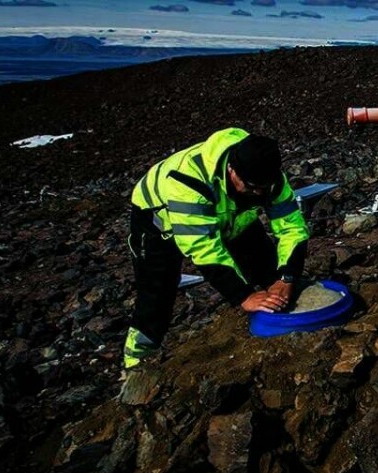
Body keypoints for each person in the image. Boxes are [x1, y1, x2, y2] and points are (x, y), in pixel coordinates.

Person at [124, 128, 310, 368]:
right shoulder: (188, 181)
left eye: (265, 188)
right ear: (232, 170)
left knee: (268, 270)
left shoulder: (266, 177)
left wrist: (286, 277)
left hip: (230, 216)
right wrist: (242, 296)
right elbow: (205, 249)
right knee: (157, 294)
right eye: (253, 187)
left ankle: (279, 327)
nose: (260, 194)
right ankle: (136, 362)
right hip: (160, 222)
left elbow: (292, 228)